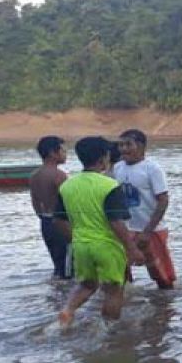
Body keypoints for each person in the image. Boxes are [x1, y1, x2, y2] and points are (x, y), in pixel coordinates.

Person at [54, 137, 144, 325]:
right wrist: (132, 249)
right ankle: (109, 330)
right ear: (104, 159)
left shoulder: (67, 186)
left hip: (81, 246)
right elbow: (116, 222)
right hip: (107, 246)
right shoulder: (109, 186)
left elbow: (59, 220)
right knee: (113, 290)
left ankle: (68, 310)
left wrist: (76, 238)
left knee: (87, 285)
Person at [114, 129, 176, 289]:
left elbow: (163, 200)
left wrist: (147, 231)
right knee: (121, 272)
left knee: (161, 276)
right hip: (126, 229)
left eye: (128, 144)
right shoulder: (117, 168)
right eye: (120, 145)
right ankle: (129, 305)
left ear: (141, 147)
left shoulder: (152, 169)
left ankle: (165, 308)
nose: (123, 149)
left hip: (152, 229)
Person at [30, 135, 71, 279]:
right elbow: (67, 201)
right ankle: (65, 297)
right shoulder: (59, 175)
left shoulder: (35, 175)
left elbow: (35, 202)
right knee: (68, 266)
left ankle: (56, 297)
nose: (66, 155)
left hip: (45, 222)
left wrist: (43, 217)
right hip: (61, 223)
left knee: (57, 263)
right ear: (53, 153)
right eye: (63, 151)